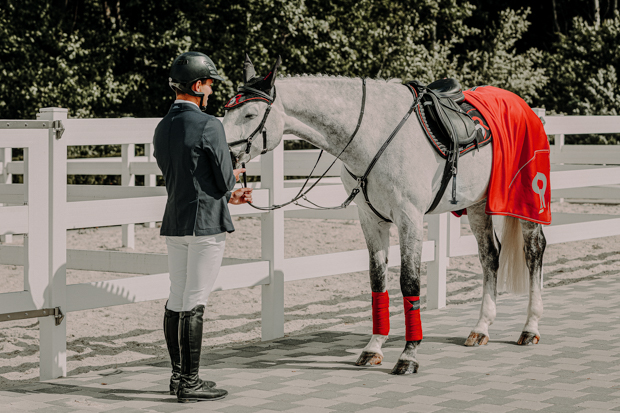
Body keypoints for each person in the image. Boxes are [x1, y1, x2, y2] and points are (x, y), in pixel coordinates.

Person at [153, 51, 252, 403]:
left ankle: (178, 378)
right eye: (209, 84)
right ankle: (190, 382)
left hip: (176, 220)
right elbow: (224, 179)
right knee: (194, 302)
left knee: (177, 298)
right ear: (197, 85)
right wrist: (234, 187)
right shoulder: (210, 125)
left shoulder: (162, 127)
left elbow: (186, 174)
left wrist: (225, 192)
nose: (211, 91)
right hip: (206, 224)